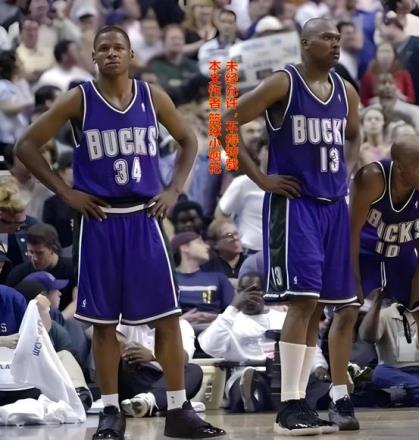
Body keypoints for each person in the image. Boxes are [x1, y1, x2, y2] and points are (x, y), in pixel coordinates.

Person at [14, 25, 225, 440]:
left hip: (144, 219)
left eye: (118, 47)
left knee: (167, 318)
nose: (111, 53)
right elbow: (26, 145)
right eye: (104, 48)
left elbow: (188, 140)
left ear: (130, 56)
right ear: (93, 56)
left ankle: (178, 410)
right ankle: (111, 412)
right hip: (100, 221)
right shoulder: (79, 99)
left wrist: (173, 189)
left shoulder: (152, 96)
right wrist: (66, 192)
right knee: (105, 323)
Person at [222, 18, 361, 435]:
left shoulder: (347, 91)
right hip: (295, 206)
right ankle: (288, 404)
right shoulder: (284, 83)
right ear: (304, 43)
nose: (335, 43)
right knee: (301, 303)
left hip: (333, 206)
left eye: (338, 38)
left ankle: (301, 401)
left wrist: (347, 169)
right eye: (326, 37)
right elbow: (223, 122)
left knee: (318, 307)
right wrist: (260, 179)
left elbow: (354, 136)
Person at [349, 134, 419, 427]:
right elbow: (351, 232)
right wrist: (354, 279)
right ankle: (339, 399)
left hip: (402, 252)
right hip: (367, 251)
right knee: (346, 312)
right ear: (399, 166)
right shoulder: (372, 178)